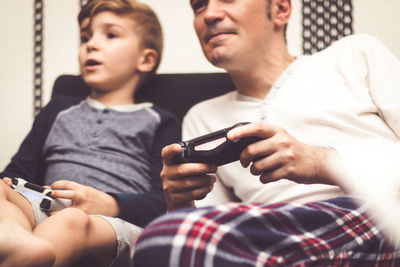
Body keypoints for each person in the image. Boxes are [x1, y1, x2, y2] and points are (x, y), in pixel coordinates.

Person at [132, 0, 400, 266]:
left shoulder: (355, 55)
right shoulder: (202, 116)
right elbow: (208, 230)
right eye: (199, 5)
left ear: (280, 10)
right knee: (162, 242)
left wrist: (322, 162)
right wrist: (179, 205)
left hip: (379, 215)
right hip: (278, 240)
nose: (209, 14)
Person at [0, 0, 180, 266]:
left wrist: (111, 203)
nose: (91, 44)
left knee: (70, 220)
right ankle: (17, 243)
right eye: (86, 37)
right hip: (45, 204)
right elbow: (17, 172)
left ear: (145, 59)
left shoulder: (160, 121)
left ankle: (32, 256)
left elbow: (166, 199)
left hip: (108, 222)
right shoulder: (58, 109)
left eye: (110, 34)